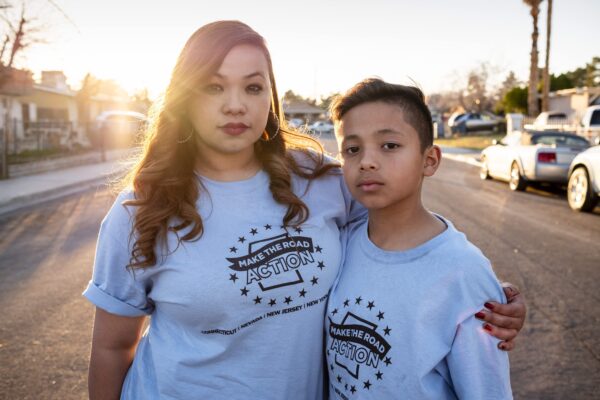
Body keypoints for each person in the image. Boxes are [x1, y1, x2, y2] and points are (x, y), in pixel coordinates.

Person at [84, 21, 524, 400]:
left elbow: (401, 239)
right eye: (213, 86)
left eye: (253, 86)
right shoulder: (139, 212)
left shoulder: (320, 180)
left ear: (270, 97)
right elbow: (112, 349)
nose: (235, 103)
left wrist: (478, 294)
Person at [325, 78, 513, 399]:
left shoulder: (464, 271)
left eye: (389, 145)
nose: (367, 161)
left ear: (430, 160)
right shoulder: (339, 243)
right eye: (352, 149)